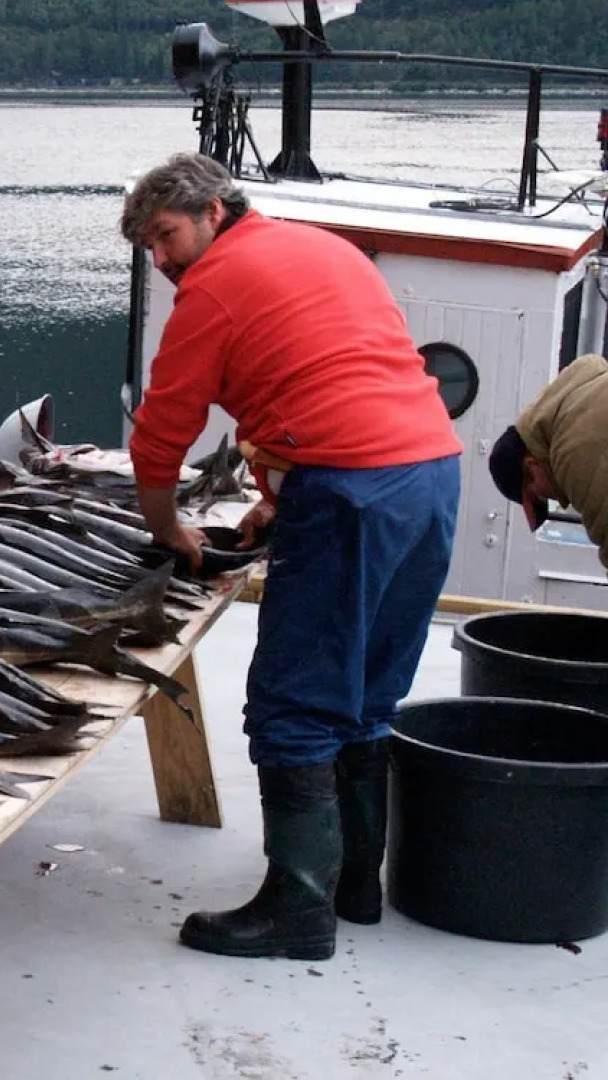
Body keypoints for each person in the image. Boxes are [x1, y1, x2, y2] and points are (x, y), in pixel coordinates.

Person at [120, 153, 462, 961]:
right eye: (149, 249)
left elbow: (161, 436)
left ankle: (298, 913)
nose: (162, 261)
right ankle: (355, 887)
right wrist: (278, 492)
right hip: (430, 476)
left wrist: (170, 529)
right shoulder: (324, 247)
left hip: (351, 491)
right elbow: (334, 376)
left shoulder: (213, 289)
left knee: (296, 699)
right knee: (369, 694)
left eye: (166, 237)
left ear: (212, 210)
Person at [488, 353, 608, 569]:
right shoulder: (588, 393)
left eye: (541, 494)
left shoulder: (573, 449)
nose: (561, 502)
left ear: (531, 465)